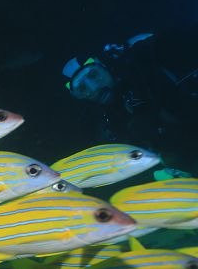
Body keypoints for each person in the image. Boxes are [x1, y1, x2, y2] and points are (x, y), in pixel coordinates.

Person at [63, 27, 198, 174]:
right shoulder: (110, 124)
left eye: (94, 75)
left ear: (104, 66)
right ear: (79, 97)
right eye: (82, 89)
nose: (95, 88)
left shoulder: (143, 70)